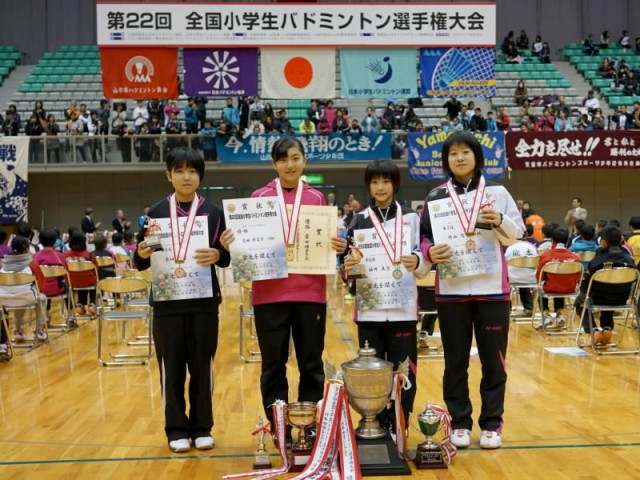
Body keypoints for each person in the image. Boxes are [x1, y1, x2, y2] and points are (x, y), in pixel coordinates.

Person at [219, 136, 347, 437]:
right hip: (269, 294)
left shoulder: (317, 198)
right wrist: (232, 243)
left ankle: (309, 425)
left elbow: (326, 242)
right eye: (283, 159)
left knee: (311, 363)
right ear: (274, 164)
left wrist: (338, 245)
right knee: (273, 364)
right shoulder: (259, 197)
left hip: (310, 293)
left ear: (304, 160)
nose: (290, 164)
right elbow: (247, 245)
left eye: (295, 158)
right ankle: (278, 426)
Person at [420, 131, 524, 450]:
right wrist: (428, 252)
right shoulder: (436, 196)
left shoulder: (497, 192)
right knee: (455, 362)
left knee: (494, 362)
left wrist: (501, 220)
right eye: (453, 153)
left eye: (466, 151)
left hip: (492, 290)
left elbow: (516, 235)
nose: (460, 157)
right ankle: (460, 422)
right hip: (452, 292)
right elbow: (424, 238)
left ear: (477, 156)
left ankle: (491, 424)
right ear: (446, 161)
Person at [134, 147, 230, 453]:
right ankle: (175, 429)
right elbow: (141, 260)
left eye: (192, 171)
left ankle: (202, 428)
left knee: (202, 366)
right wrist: (141, 253)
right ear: (169, 175)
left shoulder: (214, 212)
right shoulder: (155, 213)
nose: (186, 177)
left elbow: (227, 256)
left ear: (200, 175)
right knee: (171, 368)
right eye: (179, 171)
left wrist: (218, 254)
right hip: (167, 304)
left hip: (204, 302)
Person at [343, 159, 425, 430]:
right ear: (368, 186)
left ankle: (399, 424)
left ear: (395, 184)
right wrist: (349, 266)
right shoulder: (359, 220)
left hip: (403, 310)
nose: (380, 187)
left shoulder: (411, 217)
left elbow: (423, 255)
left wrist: (417, 259)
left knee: (404, 372)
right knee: (371, 374)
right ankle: (374, 422)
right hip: (370, 312)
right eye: (375, 182)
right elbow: (349, 265)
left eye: (386, 181)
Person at [575, 226, 637, 342]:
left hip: (599, 298)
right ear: (621, 240)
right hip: (622, 299)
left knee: (580, 303)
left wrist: (582, 293)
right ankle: (607, 328)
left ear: (603, 242)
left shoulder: (597, 262)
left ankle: (593, 331)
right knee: (610, 294)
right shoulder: (630, 261)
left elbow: (588, 283)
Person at [0, 236, 49, 342]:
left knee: (19, 296)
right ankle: (40, 329)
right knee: (42, 298)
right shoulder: (32, 263)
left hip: (3, 300)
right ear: (27, 249)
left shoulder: (4, 265)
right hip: (26, 298)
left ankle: (17, 330)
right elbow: (41, 286)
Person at [535, 228, 581, 326]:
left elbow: (539, 277)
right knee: (561, 282)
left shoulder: (545, 256)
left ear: (552, 240)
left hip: (550, 288)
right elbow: (579, 277)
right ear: (567, 241)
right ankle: (559, 314)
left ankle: (546, 315)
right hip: (570, 288)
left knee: (541, 286)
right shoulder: (575, 258)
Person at [504, 231, 538, 316]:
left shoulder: (510, 247)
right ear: (525, 235)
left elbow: (505, 263)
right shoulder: (532, 246)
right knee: (524, 279)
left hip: (513, 279)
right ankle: (529, 307)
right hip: (531, 279)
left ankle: (507, 309)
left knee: (506, 281)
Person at [64, 231, 97, 316]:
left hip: (71, 282)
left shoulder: (65, 255)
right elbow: (96, 269)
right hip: (88, 281)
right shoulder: (89, 255)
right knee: (92, 280)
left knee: (78, 279)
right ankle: (92, 304)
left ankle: (80, 305)